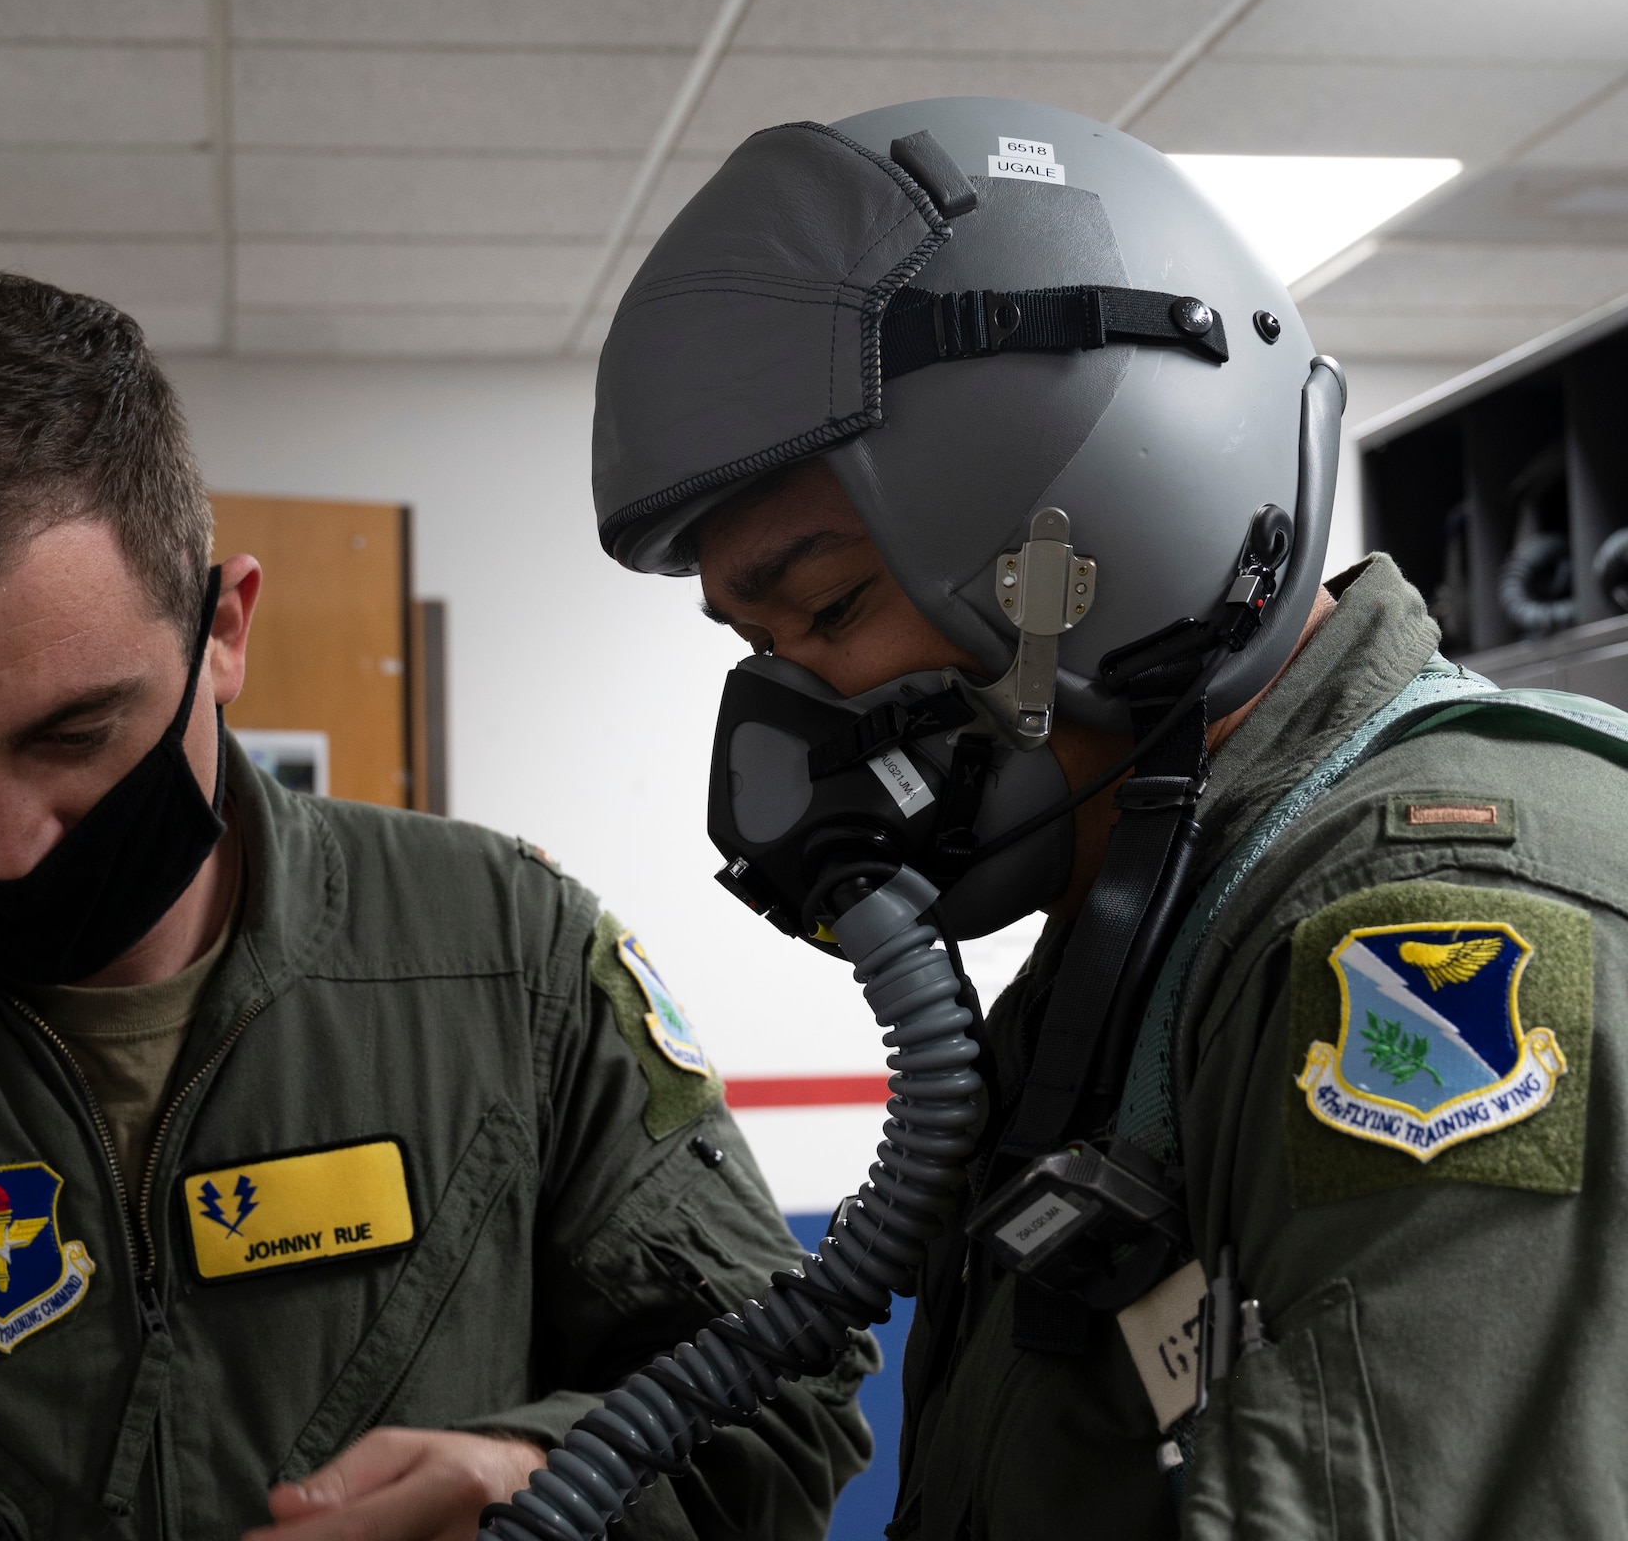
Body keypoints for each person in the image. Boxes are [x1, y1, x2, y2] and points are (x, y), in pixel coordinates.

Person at [0, 272, 876, 1541]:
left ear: (224, 631)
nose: (5, 847)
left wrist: (540, 1485)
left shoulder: (511, 955)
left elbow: (786, 1386)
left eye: (75, 733)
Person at [578, 96, 1628, 1539]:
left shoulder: (1431, 931)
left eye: (827, 609)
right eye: (756, 648)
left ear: (1098, 549)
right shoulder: (1150, 932)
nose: (788, 721)